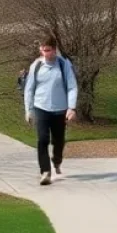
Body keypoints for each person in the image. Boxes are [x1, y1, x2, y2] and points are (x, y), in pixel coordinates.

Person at [23, 34, 78, 186]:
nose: (45, 53)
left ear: (54, 50)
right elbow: (29, 89)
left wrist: (71, 107)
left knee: (58, 141)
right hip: (41, 107)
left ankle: (57, 160)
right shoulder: (36, 66)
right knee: (43, 139)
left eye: (48, 50)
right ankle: (45, 171)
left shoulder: (63, 64)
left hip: (60, 110)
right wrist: (28, 110)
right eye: (43, 50)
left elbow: (72, 86)